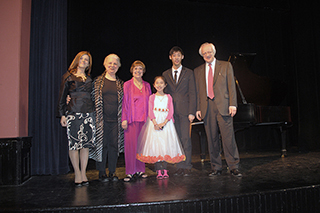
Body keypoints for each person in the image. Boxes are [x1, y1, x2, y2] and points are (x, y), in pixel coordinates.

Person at [194, 42, 242, 177]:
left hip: (224, 106)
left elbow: (231, 86)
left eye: (209, 52)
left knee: (228, 138)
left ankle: (233, 165)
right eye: (204, 53)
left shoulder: (226, 66)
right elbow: (198, 92)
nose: (207, 55)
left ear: (214, 52)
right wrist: (198, 108)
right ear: (201, 55)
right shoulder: (198, 71)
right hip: (207, 107)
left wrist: (233, 104)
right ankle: (216, 167)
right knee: (211, 138)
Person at [58, 51, 95, 187]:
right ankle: (77, 173)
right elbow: (62, 96)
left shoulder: (90, 79)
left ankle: (84, 172)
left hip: (88, 113)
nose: (84, 61)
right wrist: (62, 114)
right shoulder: (68, 76)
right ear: (77, 60)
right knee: (74, 144)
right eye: (82, 58)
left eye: (87, 60)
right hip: (73, 113)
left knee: (85, 145)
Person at [136, 76, 186, 179]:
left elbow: (171, 111)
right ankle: (158, 170)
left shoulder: (168, 97)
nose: (159, 85)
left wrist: (164, 123)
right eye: (157, 83)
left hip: (166, 124)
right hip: (154, 123)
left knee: (165, 146)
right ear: (154, 85)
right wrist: (155, 123)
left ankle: (165, 170)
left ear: (165, 85)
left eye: (161, 83)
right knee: (156, 146)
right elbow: (150, 110)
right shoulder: (152, 97)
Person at [162, 46, 196, 176]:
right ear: (170, 57)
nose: (176, 58)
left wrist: (192, 111)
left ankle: (186, 166)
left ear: (182, 57)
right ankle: (178, 165)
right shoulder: (165, 74)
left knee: (185, 139)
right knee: (174, 140)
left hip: (185, 111)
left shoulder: (189, 73)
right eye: (174, 55)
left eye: (178, 55)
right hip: (170, 113)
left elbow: (193, 93)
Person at [90, 53, 124, 182]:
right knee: (102, 145)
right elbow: (89, 99)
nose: (112, 66)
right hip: (100, 120)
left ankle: (112, 172)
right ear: (105, 64)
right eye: (110, 63)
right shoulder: (97, 82)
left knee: (114, 146)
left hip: (116, 121)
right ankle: (102, 172)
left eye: (115, 64)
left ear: (118, 66)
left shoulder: (121, 84)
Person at [121, 60, 152, 182]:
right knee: (130, 146)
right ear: (132, 71)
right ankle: (130, 172)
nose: (138, 71)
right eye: (135, 69)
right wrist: (124, 118)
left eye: (140, 69)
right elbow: (124, 103)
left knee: (141, 146)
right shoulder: (127, 85)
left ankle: (140, 170)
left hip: (144, 120)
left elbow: (150, 102)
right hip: (131, 120)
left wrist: (151, 118)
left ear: (143, 71)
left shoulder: (147, 85)